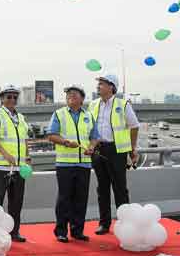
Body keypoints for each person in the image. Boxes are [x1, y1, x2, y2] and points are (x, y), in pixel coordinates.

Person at [47, 85, 99, 243]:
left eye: (74, 94)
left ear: (82, 99)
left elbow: (94, 137)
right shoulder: (59, 114)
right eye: (68, 94)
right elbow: (51, 135)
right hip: (65, 164)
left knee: (80, 199)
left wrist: (91, 147)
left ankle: (77, 231)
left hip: (84, 164)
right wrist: (64, 142)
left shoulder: (89, 116)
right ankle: (61, 231)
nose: (70, 96)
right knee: (64, 198)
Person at [89, 74, 140, 235]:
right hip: (98, 150)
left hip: (117, 151)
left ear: (112, 87)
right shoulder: (93, 104)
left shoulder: (123, 104)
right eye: (98, 84)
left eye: (102, 84)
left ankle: (126, 223)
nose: (98, 86)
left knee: (120, 188)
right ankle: (104, 224)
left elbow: (134, 126)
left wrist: (132, 149)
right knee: (102, 188)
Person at [0, 84, 31, 242]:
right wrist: (6, 155)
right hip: (1, 167)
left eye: (14, 97)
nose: (12, 99)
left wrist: (28, 157)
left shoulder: (21, 118)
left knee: (16, 201)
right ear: (2, 99)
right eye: (8, 97)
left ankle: (14, 231)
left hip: (19, 167)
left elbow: (25, 140)